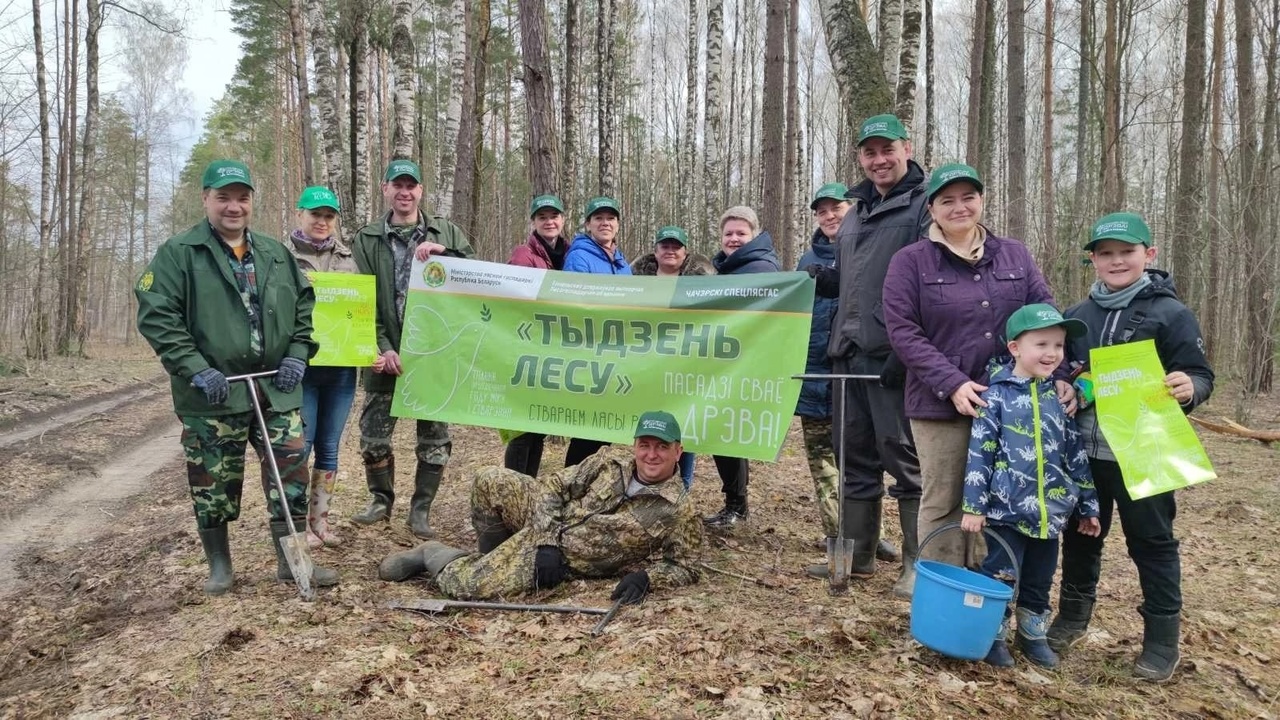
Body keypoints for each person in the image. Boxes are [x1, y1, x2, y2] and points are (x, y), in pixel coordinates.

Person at [135, 159, 338, 595]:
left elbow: (304, 308)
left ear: (251, 202)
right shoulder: (179, 254)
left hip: (275, 387)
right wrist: (195, 368)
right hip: (214, 393)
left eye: (242, 198)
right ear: (206, 198)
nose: (233, 207)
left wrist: (298, 355)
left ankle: (293, 562)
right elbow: (158, 317)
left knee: (292, 473)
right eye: (223, 197)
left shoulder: (274, 253)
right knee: (214, 481)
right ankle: (220, 566)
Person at [881, 163, 1062, 597]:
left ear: (981, 201)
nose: (959, 207)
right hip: (938, 403)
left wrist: (1063, 373)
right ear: (932, 209)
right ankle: (941, 596)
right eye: (947, 200)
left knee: (1000, 498)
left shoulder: (1014, 254)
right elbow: (903, 330)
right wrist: (953, 382)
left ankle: (987, 596)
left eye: (968, 197)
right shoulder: (910, 262)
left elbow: (1046, 315)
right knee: (944, 501)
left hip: (1011, 402)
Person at [1047, 212, 1213, 683]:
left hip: (1146, 448)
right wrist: (1064, 384)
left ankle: (1162, 641)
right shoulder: (1078, 316)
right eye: (1106, 253)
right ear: (1093, 260)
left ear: (1149, 255)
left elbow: (1200, 374)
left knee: (1153, 544)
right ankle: (1073, 618)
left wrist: (1190, 388)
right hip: (1085, 450)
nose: (1116, 260)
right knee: (1081, 536)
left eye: (1127, 251)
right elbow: (1064, 369)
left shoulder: (1171, 313)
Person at [377, 411, 702, 604]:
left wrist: (647, 578)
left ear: (678, 451)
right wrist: (545, 539)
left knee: (469, 587)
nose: (651, 455)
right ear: (635, 446)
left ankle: (432, 554)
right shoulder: (609, 463)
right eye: (645, 445)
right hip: (550, 524)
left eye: (662, 447)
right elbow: (556, 486)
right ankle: (493, 555)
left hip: (569, 557)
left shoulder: (679, 509)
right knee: (489, 479)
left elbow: (686, 566)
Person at [807, 114, 926, 587]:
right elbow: (857, 276)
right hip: (847, 353)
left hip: (892, 357)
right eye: (869, 152)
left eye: (887, 149)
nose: (879, 160)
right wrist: (827, 280)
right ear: (860, 157)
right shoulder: (854, 211)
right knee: (852, 456)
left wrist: (908, 348)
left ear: (906, 149)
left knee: (904, 458)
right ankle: (856, 556)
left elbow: (925, 282)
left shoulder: (921, 206)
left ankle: (918, 562)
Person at [960, 304, 1102, 668]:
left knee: (1040, 580)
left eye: (1058, 345)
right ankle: (991, 637)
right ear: (1015, 349)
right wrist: (974, 507)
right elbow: (980, 455)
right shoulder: (996, 397)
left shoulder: (1059, 398)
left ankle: (1032, 636)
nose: (1052, 353)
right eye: (1041, 344)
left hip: (1050, 516)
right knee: (1001, 575)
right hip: (1007, 512)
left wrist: (1088, 507)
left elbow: (1075, 458)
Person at [349, 159, 476, 538]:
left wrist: (446, 255)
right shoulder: (367, 238)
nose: (405, 192)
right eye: (397, 185)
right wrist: (383, 347)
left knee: (434, 438)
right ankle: (380, 500)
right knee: (373, 435)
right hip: (382, 353)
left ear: (421, 191)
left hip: (433, 356)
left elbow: (478, 277)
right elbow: (361, 300)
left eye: (412, 186)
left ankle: (421, 510)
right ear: (385, 188)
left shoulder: (446, 231)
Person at [798, 184, 899, 577]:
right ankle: (840, 543)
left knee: (862, 460)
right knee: (824, 465)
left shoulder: (870, 252)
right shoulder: (805, 262)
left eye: (836, 208)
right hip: (815, 377)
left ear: (851, 209)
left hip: (860, 371)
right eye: (821, 211)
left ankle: (873, 539)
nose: (829, 216)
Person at [284, 186, 359, 549]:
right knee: (302, 445)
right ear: (300, 214)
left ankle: (320, 524)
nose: (322, 221)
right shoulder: (282, 258)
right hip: (303, 367)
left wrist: (368, 348)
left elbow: (359, 310)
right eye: (315, 214)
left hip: (342, 368)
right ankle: (296, 526)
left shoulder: (348, 257)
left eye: (329, 216)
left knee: (329, 447)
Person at [703, 206, 780, 529]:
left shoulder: (759, 267)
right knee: (722, 432)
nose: (734, 239)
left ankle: (737, 505)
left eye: (740, 233)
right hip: (724, 362)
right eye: (728, 234)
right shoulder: (725, 268)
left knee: (728, 434)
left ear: (753, 235)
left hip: (743, 364)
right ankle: (735, 503)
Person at [630, 224, 715, 488]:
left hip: (685, 367)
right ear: (655, 251)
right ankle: (645, 487)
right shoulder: (636, 283)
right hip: (647, 367)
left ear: (685, 251)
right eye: (664, 246)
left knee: (683, 428)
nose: (670, 251)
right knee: (650, 429)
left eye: (675, 247)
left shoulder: (702, 285)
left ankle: (682, 489)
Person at [502, 194, 571, 478]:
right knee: (522, 430)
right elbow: (512, 302)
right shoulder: (523, 255)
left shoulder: (569, 256)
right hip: (527, 351)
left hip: (554, 353)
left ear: (563, 220)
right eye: (542, 217)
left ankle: (527, 488)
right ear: (533, 222)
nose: (549, 222)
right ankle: (512, 490)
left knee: (539, 428)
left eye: (554, 216)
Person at [561, 197, 631, 467]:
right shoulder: (579, 257)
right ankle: (571, 485)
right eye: (598, 218)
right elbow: (576, 305)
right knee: (587, 433)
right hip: (590, 356)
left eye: (610, 218)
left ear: (618, 225)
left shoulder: (623, 264)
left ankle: (589, 489)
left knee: (604, 432)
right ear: (588, 224)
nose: (605, 223)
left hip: (615, 357)